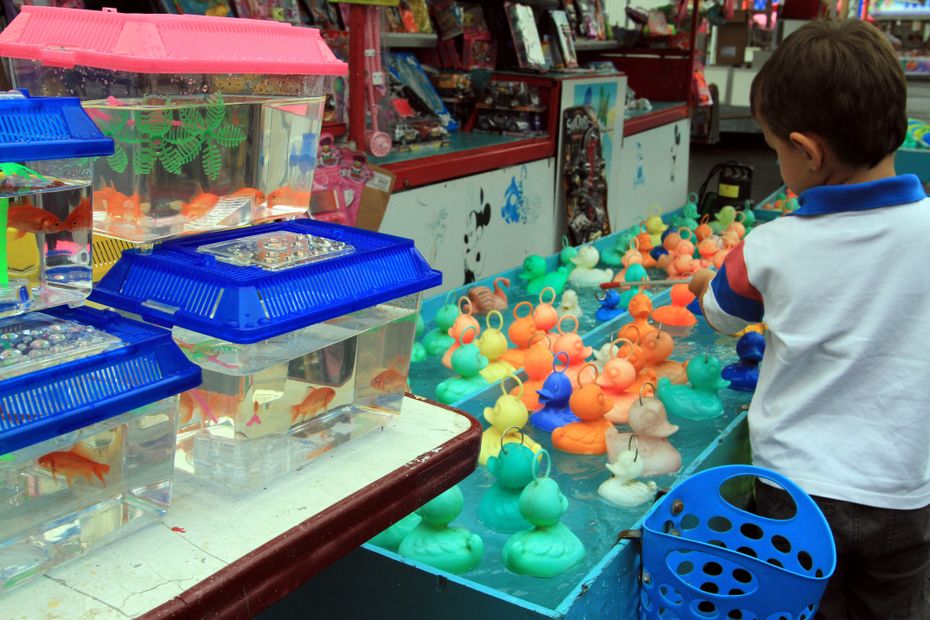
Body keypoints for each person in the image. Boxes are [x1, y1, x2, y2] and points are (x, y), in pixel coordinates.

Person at [689, 19, 930, 620]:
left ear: (809, 151)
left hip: (796, 496)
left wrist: (704, 282)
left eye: (775, 150)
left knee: (799, 609)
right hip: (905, 493)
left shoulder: (774, 246)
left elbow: (718, 314)